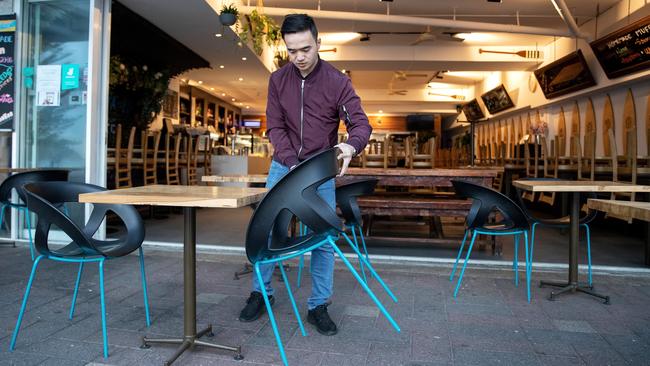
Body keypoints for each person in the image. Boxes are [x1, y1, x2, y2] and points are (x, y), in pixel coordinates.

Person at [238, 14, 371, 336]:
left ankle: (318, 306)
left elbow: (361, 124)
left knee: (323, 239)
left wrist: (352, 146)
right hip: (283, 167)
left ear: (319, 43)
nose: (299, 57)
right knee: (268, 231)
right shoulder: (278, 80)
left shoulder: (338, 82)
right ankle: (261, 293)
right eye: (292, 50)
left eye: (305, 49)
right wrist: (289, 160)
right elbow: (275, 126)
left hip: (320, 173)